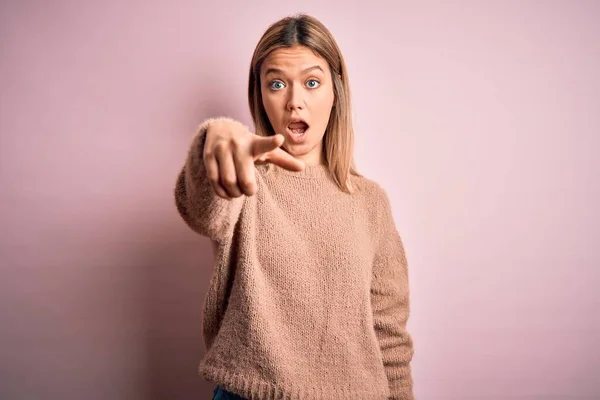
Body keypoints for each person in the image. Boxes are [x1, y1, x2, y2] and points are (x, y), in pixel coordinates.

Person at [174, 13, 414, 400]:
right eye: (277, 83)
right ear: (261, 95)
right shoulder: (245, 179)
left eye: (312, 82)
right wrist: (212, 139)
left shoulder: (371, 203)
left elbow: (389, 333)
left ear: (336, 92)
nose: (294, 102)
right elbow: (201, 208)